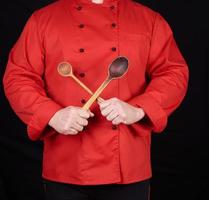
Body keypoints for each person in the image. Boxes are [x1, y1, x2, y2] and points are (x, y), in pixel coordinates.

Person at [3, 0, 189, 199]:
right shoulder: (43, 20)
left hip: (128, 163)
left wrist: (139, 109)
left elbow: (173, 73)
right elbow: (19, 77)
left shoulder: (148, 19)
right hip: (66, 163)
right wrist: (52, 114)